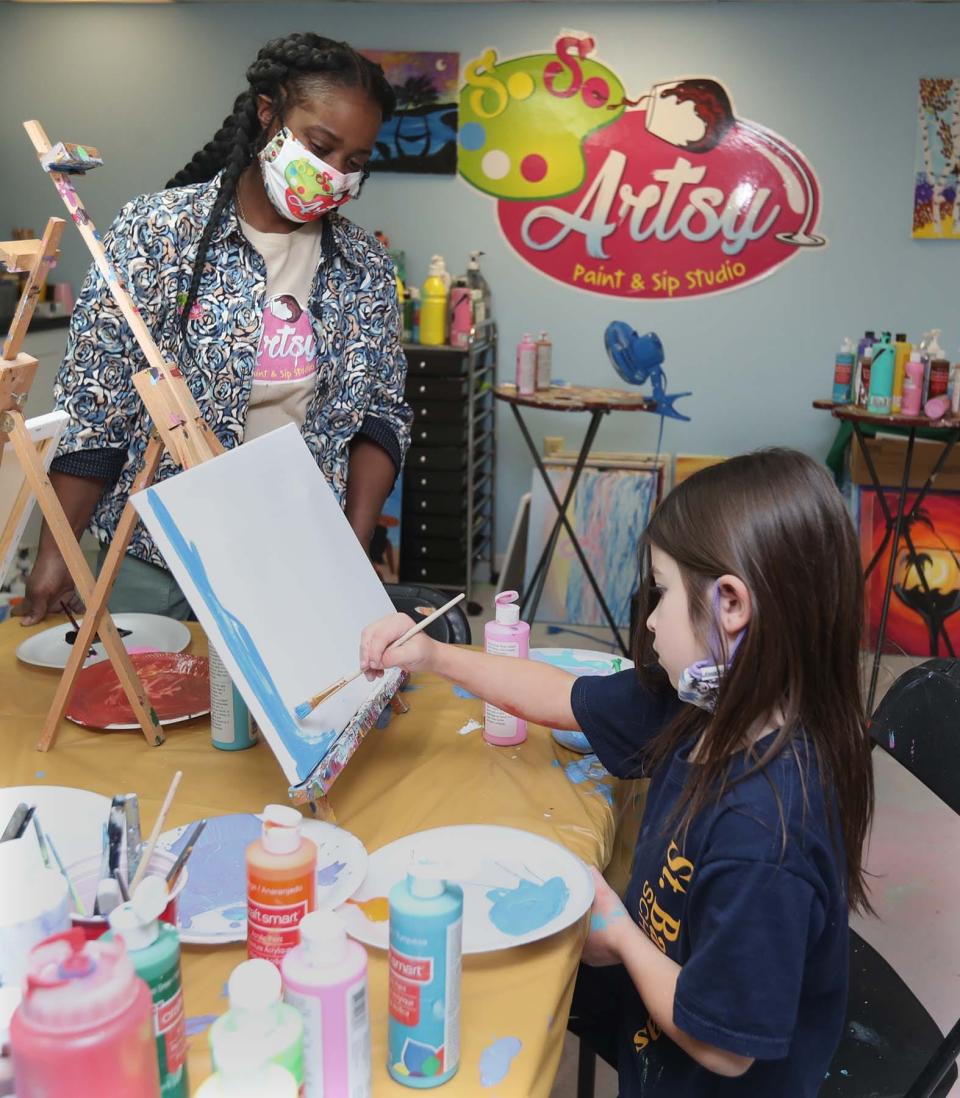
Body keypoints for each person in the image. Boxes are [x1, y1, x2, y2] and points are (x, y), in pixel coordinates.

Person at [360, 449, 874, 1096]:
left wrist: (622, 938)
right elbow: (561, 697)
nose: (651, 619)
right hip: (654, 1034)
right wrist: (434, 654)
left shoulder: (762, 835)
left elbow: (723, 1046)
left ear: (732, 605)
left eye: (660, 592)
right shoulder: (702, 705)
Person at [17, 32, 412, 625]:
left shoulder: (364, 267)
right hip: (155, 562)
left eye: (354, 164)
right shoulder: (158, 234)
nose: (333, 175)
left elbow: (381, 416)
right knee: (147, 706)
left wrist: (353, 551)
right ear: (268, 112)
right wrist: (58, 552)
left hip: (298, 560)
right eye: (320, 146)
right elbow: (98, 408)